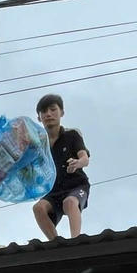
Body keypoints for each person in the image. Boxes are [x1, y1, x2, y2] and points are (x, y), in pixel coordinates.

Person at [31, 92, 91, 240]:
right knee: (38, 208)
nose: (48, 114)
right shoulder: (38, 145)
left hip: (77, 186)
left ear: (61, 112)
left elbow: (85, 158)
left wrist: (78, 163)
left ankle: (76, 241)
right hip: (53, 190)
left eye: (53, 109)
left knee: (70, 202)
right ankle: (55, 243)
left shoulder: (72, 135)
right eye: (44, 112)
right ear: (39, 117)